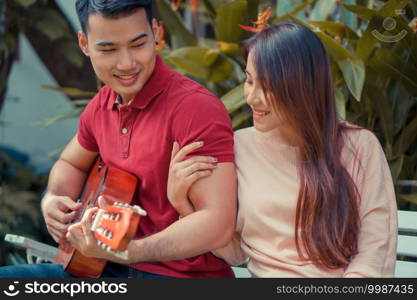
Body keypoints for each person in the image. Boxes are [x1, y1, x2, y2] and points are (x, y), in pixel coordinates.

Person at [0, 0, 237, 278]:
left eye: (138, 45)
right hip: (99, 268)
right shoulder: (102, 105)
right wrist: (53, 199)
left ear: (157, 33)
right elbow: (71, 162)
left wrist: (130, 251)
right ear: (84, 43)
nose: (126, 63)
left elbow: (218, 224)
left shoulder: (195, 109)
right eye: (108, 49)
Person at [167, 22, 398, 277]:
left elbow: (375, 250)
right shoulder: (240, 147)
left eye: (266, 86)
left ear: (301, 86)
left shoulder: (360, 147)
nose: (251, 97)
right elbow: (233, 251)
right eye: (249, 80)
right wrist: (183, 202)